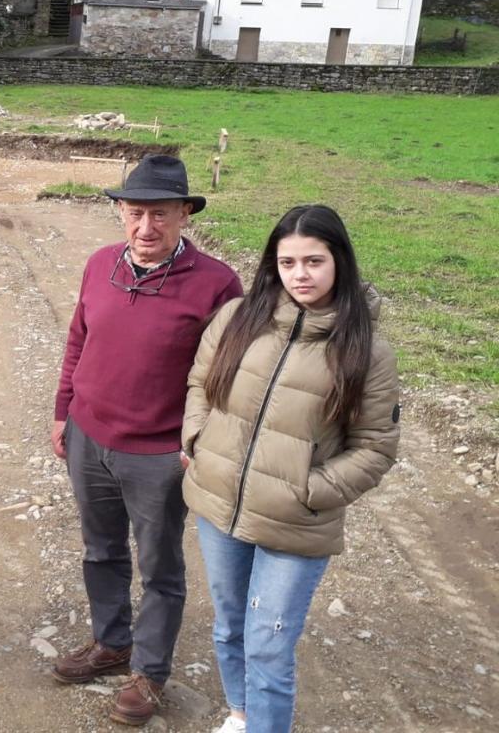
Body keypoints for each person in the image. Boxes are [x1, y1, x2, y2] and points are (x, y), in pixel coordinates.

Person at [182, 205, 400, 733]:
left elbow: (375, 448)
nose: (300, 275)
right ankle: (240, 713)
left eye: (314, 261)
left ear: (339, 262)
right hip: (219, 504)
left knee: (269, 644)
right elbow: (199, 384)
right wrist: (197, 439)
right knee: (230, 627)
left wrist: (309, 490)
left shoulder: (367, 350)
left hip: (297, 522)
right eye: (287, 263)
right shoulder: (237, 317)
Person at [50, 154, 243, 726]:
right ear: (120, 214)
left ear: (185, 214)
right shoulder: (99, 264)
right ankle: (111, 643)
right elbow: (76, 342)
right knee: (100, 550)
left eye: (159, 215)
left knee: (159, 568)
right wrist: (64, 412)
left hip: (160, 453)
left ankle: (150, 670)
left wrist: (197, 441)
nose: (145, 228)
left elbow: (224, 378)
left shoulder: (217, 284)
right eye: (134, 214)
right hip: (90, 436)